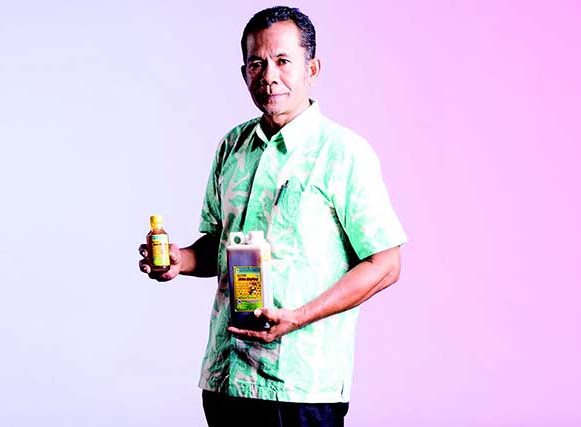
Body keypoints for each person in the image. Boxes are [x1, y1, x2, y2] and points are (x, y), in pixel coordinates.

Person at [138, 6, 407, 426]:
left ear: (312, 68)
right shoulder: (233, 146)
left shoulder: (343, 153)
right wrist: (180, 260)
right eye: (256, 64)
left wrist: (298, 316)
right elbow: (219, 245)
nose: (269, 76)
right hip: (227, 378)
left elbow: (385, 264)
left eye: (283, 61)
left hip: (299, 385)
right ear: (244, 72)